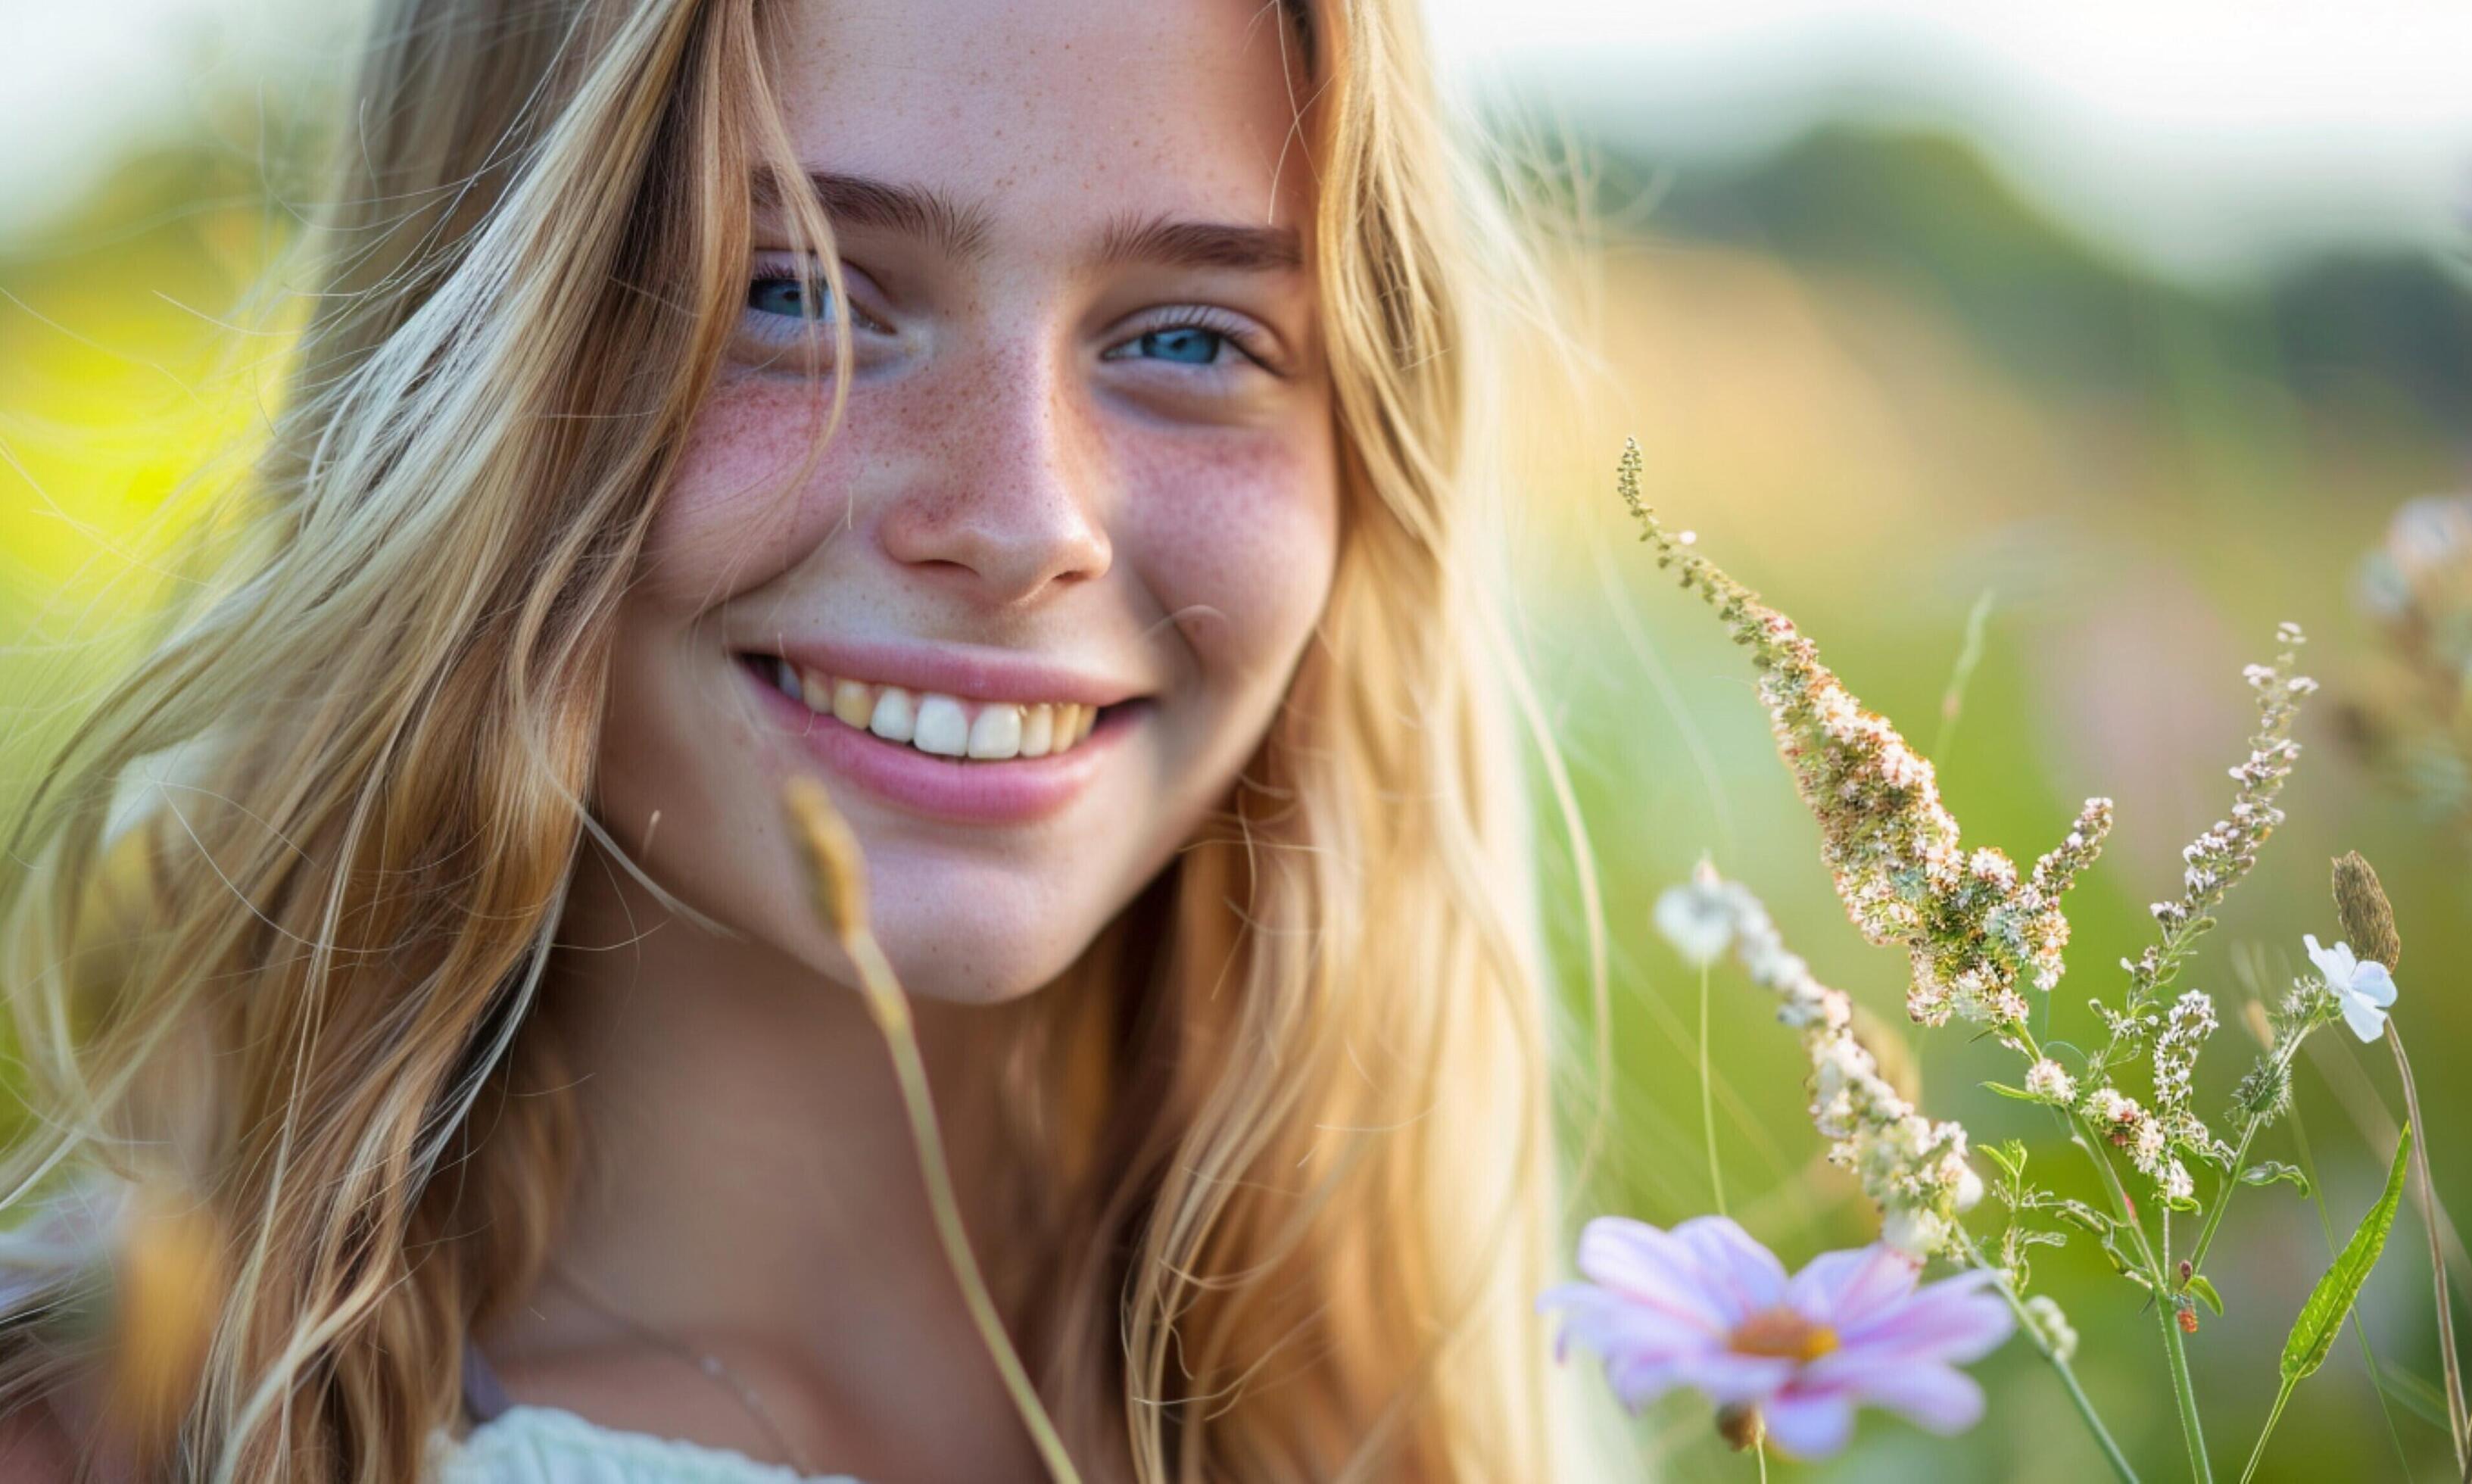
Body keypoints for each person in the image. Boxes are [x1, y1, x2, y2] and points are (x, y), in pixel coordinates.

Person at [0, 0, 1618, 1478]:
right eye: (799, 293)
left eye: (1189, 337)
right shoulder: (110, 1437)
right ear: (469, 376)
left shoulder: (1462, 1421)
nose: (1020, 517)